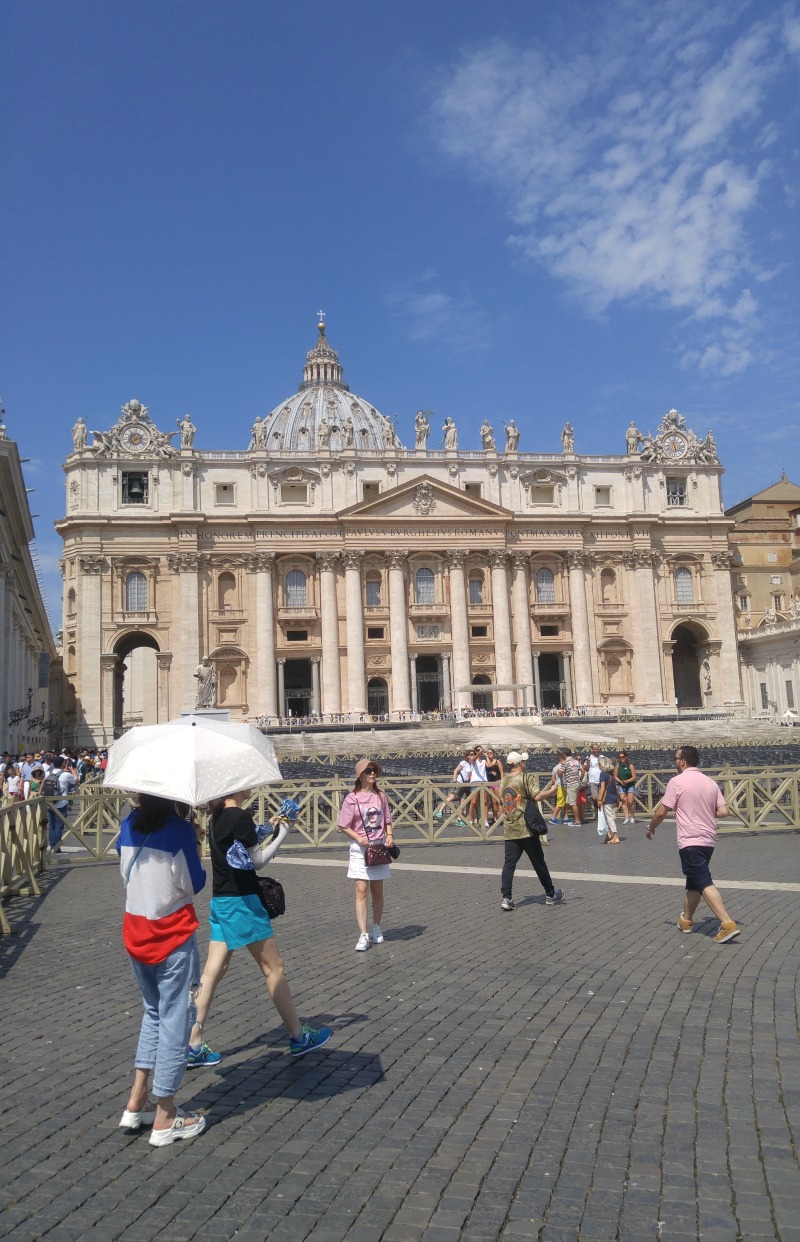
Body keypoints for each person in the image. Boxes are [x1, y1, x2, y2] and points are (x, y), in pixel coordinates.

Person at [186, 787, 332, 1065]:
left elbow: (239, 849)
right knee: (273, 968)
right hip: (243, 903)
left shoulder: (218, 817)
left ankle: (193, 1042)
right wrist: (284, 834)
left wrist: (269, 827)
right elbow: (256, 861)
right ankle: (299, 1036)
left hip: (222, 901)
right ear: (237, 787)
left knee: (213, 971)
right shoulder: (239, 816)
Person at [117, 794, 207, 1146]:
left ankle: (136, 1102)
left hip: (136, 932)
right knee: (175, 1020)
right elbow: (193, 883)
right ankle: (166, 1116)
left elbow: (124, 873)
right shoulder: (179, 830)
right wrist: (195, 842)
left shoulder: (128, 824)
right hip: (171, 937)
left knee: (153, 1013)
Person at [646, 746, 740, 943]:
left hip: (690, 840)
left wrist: (651, 827)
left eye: (675, 758)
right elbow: (723, 811)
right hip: (708, 841)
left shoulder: (677, 782)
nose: (674, 761)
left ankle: (727, 924)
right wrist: (703, 811)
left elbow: (662, 812)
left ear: (683, 761)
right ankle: (686, 921)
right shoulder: (710, 783)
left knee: (703, 882)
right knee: (694, 882)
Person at [338, 759, 395, 951]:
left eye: (375, 771)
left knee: (377, 891)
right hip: (360, 849)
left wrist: (389, 835)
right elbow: (343, 825)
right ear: (360, 775)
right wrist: (358, 837)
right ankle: (363, 934)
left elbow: (387, 819)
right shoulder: (351, 799)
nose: (372, 774)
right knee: (361, 891)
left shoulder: (381, 796)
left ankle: (376, 927)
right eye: (368, 771)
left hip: (378, 847)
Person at [499, 752, 564, 910]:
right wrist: (553, 790)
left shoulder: (504, 780)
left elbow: (503, 801)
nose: (525, 764)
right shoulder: (526, 777)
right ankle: (550, 894)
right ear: (520, 763)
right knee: (538, 862)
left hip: (510, 828)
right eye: (523, 762)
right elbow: (538, 796)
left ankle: (506, 898)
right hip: (526, 828)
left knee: (509, 865)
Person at [43, 757, 76, 852]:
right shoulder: (65, 774)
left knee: (51, 825)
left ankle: (52, 845)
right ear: (62, 764)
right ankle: (56, 847)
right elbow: (76, 780)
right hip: (61, 803)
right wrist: (72, 771)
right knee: (59, 825)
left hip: (50, 802)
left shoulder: (48, 773)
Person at [596, 756, 620, 844]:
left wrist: (599, 799)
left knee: (609, 818)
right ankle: (609, 835)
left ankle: (615, 836)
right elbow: (615, 788)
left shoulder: (603, 773)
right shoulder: (611, 774)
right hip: (613, 798)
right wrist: (617, 799)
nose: (598, 765)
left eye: (599, 763)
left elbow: (602, 787)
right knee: (609, 817)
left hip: (608, 799)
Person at [615, 750, 637, 823]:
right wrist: (620, 781)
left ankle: (632, 817)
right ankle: (626, 818)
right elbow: (615, 776)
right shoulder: (617, 766)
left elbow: (634, 777)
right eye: (620, 757)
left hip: (630, 784)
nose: (621, 758)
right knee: (624, 801)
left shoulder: (630, 766)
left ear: (626, 757)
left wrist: (626, 781)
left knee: (630, 802)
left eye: (623, 757)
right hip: (621, 785)